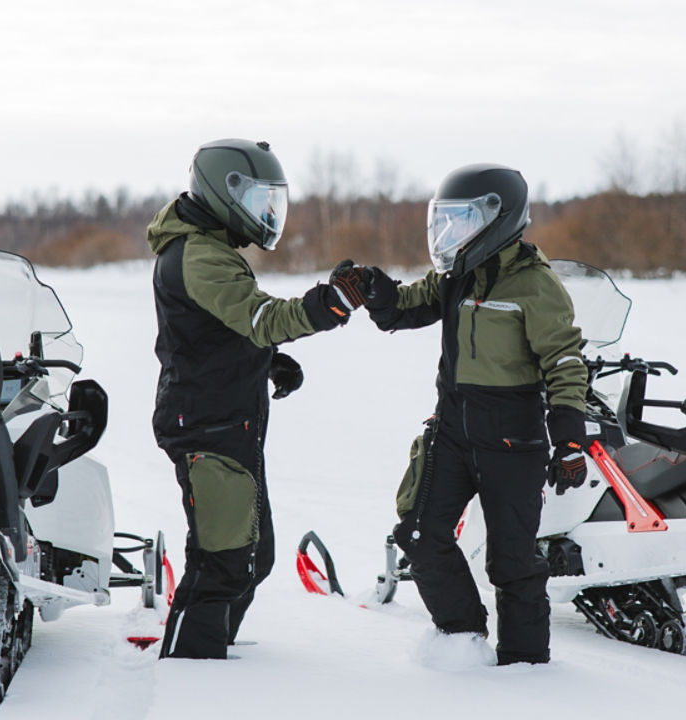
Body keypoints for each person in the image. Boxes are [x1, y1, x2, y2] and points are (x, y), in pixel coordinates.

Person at [354, 163, 589, 665]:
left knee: (513, 563)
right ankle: (461, 641)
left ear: (497, 219)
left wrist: (570, 438)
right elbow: (406, 305)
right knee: (418, 533)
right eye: (447, 221)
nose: (452, 233)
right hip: (453, 431)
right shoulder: (455, 275)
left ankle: (525, 668)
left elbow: (566, 361)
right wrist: (373, 287)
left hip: (513, 441)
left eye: (463, 221)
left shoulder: (535, 285)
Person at [148, 138, 368, 659]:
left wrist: (266, 361)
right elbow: (259, 317)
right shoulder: (200, 255)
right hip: (207, 424)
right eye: (258, 202)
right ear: (224, 194)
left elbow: (216, 330)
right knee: (222, 560)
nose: (267, 215)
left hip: (231, 420)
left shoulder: (212, 248)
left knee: (254, 555)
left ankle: (214, 650)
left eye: (273, 203)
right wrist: (329, 303)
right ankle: (190, 670)